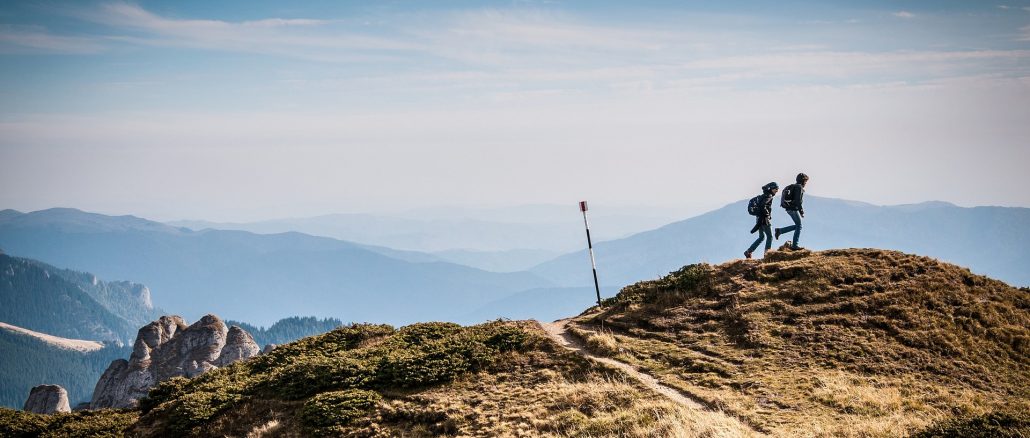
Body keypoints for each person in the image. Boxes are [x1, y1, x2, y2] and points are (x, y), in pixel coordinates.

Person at [745, 182, 778, 259]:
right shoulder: (769, 196)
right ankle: (767, 255)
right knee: (770, 236)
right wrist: (767, 215)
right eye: (775, 189)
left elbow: (761, 206)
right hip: (764, 219)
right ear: (770, 188)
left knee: (761, 237)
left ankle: (748, 251)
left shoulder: (763, 196)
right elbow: (763, 205)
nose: (777, 190)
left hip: (758, 218)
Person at [775, 173, 809, 249]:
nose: (806, 183)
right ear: (803, 181)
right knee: (799, 226)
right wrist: (801, 212)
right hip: (793, 209)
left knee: (798, 226)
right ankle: (794, 245)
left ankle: (780, 231)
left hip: (788, 208)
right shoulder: (799, 187)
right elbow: (798, 201)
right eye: (805, 181)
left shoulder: (792, 186)